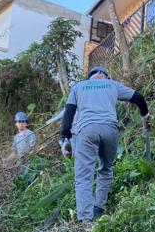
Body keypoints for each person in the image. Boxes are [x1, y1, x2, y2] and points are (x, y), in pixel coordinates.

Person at [59, 66, 149, 222]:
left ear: (90, 77)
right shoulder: (111, 84)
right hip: (110, 130)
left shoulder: (79, 87)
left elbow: (69, 113)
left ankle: (86, 220)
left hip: (87, 131)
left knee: (84, 177)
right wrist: (145, 115)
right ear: (104, 76)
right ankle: (99, 208)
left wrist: (66, 138)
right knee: (106, 169)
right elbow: (138, 98)